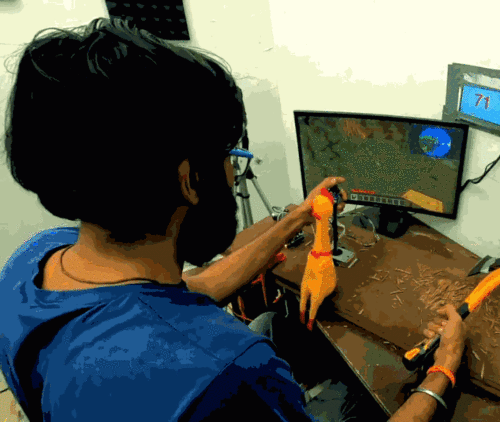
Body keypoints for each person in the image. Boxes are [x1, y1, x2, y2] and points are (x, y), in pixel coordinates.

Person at [0, 17, 468, 421]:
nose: (232, 168)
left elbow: (183, 294)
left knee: (270, 323)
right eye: (227, 153)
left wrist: (299, 217)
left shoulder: (33, 260)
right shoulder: (226, 374)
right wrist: (441, 373)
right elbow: (189, 338)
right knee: (358, 394)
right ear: (189, 179)